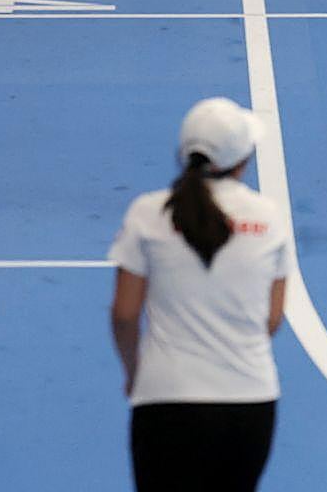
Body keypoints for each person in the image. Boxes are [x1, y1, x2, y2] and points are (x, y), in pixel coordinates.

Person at [110, 98, 290, 492]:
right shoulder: (270, 217)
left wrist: (134, 374)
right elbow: (270, 321)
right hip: (249, 402)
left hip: (164, 400)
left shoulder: (146, 212)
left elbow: (125, 315)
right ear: (243, 160)